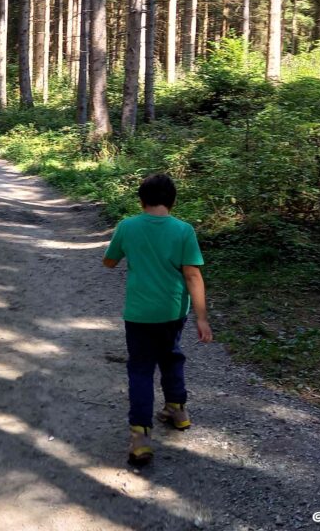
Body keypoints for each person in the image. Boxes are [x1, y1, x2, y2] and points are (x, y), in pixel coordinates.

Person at [102, 173, 212, 466]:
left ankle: (140, 438)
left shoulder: (128, 226)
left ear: (141, 200)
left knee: (140, 370)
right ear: (172, 201)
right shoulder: (184, 230)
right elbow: (192, 274)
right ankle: (178, 410)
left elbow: (109, 262)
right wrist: (202, 318)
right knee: (171, 356)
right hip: (173, 312)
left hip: (139, 314)